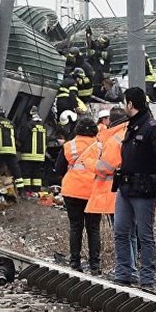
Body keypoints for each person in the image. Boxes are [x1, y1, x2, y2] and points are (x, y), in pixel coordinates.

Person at [112, 87, 156, 289]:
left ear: (130, 104)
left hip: (144, 189)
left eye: (124, 103)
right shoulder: (132, 126)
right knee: (120, 230)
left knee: (145, 236)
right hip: (126, 187)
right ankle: (124, 274)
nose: (123, 106)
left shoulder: (152, 128)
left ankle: (147, 280)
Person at [85, 108, 134, 279]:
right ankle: (132, 268)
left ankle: (126, 270)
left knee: (121, 233)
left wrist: (90, 163)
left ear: (111, 122)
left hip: (115, 192)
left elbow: (106, 168)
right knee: (132, 233)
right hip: (133, 189)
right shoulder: (131, 132)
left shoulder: (114, 139)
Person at [55, 117, 101, 273]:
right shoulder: (100, 147)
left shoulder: (69, 146)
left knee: (76, 227)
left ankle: (75, 263)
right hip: (94, 191)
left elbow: (59, 168)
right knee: (93, 228)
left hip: (72, 190)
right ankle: (95, 265)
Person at [17, 106, 46, 196]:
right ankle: (36, 191)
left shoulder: (28, 125)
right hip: (40, 156)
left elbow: (22, 139)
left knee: (26, 174)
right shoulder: (42, 126)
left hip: (28, 155)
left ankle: (27, 191)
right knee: (37, 174)